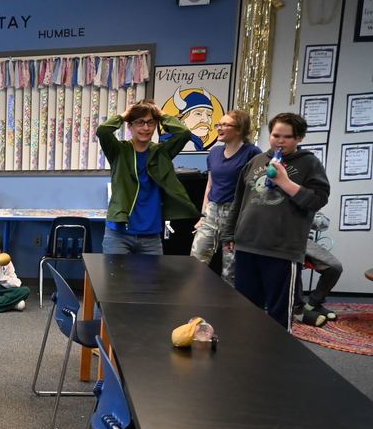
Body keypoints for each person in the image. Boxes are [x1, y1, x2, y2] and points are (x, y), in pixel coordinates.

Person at [223, 113, 330, 329]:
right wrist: (229, 233)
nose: (279, 141)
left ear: (299, 138)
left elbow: (318, 200)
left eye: (287, 137)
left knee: (278, 314)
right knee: (245, 309)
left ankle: (278, 358)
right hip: (248, 246)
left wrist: (285, 182)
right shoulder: (256, 161)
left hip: (282, 250)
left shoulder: (309, 163)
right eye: (275, 135)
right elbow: (239, 201)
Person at [97, 99, 198, 255]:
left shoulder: (161, 152)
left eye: (150, 123)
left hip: (151, 236)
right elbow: (103, 131)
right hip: (119, 235)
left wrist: (160, 114)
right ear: (130, 126)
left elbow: (184, 133)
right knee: (116, 280)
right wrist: (124, 115)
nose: (146, 128)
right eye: (140, 122)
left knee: (151, 280)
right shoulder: (119, 151)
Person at [190, 110, 263, 284]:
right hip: (212, 211)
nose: (219, 128)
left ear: (239, 129)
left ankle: (229, 308)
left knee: (230, 269)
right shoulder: (214, 152)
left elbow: (255, 189)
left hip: (235, 214)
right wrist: (203, 215)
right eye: (218, 124)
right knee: (195, 261)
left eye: (225, 125)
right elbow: (210, 184)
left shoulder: (252, 153)